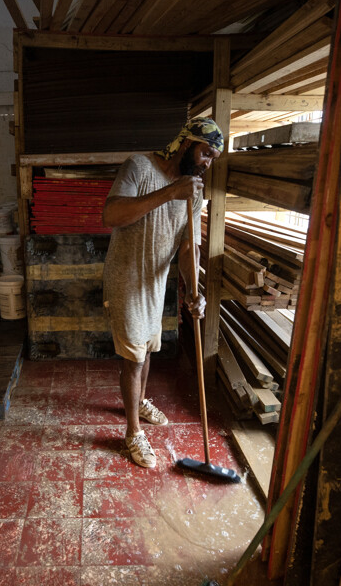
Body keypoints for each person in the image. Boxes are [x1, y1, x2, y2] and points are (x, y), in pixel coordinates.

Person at [102, 118, 223, 468]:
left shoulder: (194, 191)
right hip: (126, 278)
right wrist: (171, 192)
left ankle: (138, 400)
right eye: (205, 152)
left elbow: (188, 248)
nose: (207, 162)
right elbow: (110, 214)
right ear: (186, 144)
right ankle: (132, 433)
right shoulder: (139, 167)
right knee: (134, 356)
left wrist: (192, 288)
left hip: (156, 280)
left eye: (213, 157)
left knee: (149, 346)